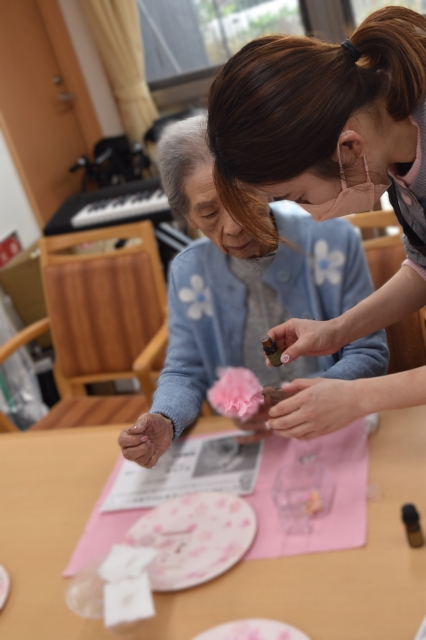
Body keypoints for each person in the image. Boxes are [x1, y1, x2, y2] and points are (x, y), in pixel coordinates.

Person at [206, 6, 426, 440]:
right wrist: (336, 332)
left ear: (348, 149)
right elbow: (423, 265)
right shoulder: (395, 153)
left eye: (299, 197)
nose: (309, 213)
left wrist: (359, 397)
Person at [118, 117, 388, 468]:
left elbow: (367, 353)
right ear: (188, 218)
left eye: (242, 198)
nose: (234, 226)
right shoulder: (190, 272)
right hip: (252, 445)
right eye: (209, 213)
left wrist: (298, 397)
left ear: (265, 184)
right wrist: (166, 418)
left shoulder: (331, 241)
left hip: (334, 425)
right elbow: (185, 371)